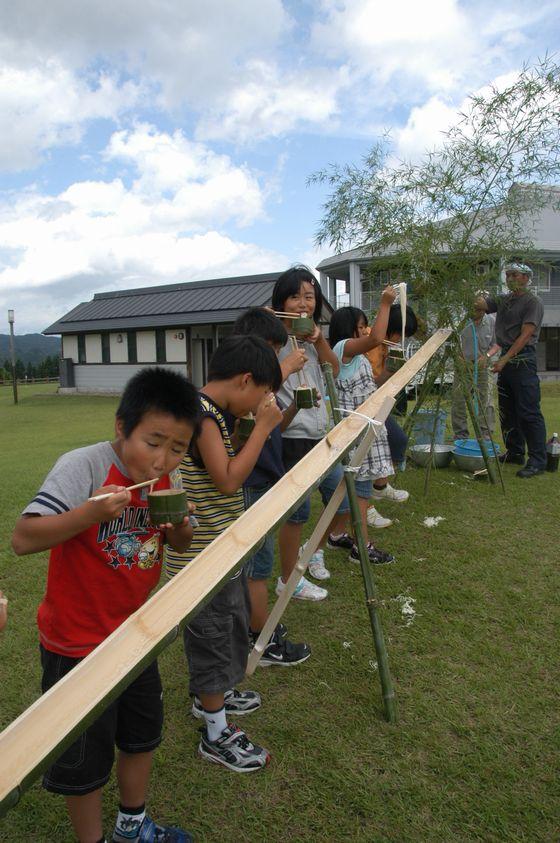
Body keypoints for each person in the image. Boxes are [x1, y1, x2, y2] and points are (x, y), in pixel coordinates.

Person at [11, 367, 200, 843]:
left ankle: (131, 827)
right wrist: (89, 513)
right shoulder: (86, 466)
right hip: (74, 644)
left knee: (141, 736)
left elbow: (178, 542)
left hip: (135, 638)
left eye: (177, 448)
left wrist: (181, 526)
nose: (162, 460)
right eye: (153, 442)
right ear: (122, 427)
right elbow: (23, 538)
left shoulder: (167, 479)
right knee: (85, 758)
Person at [165, 335, 283, 772]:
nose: (260, 402)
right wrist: (266, 428)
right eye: (260, 392)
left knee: (227, 626)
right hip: (200, 559)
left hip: (217, 552)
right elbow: (230, 480)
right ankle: (215, 732)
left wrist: (250, 424)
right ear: (245, 379)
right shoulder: (203, 417)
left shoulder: (211, 412)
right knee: (213, 640)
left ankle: (212, 700)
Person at [232, 307, 311, 666]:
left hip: (265, 478)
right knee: (256, 566)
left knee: (258, 565)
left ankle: (257, 633)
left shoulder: (263, 388)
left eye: (278, 351)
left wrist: (293, 406)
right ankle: (259, 640)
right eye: (272, 349)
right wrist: (287, 368)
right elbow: (241, 431)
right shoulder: (242, 385)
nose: (275, 356)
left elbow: (270, 430)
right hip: (250, 484)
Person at [272, 265, 348, 596]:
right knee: (297, 511)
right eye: (294, 296)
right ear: (281, 301)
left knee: (341, 492)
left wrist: (319, 341)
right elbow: (264, 379)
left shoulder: (313, 338)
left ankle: (312, 550)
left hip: (322, 433)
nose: (303, 303)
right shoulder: (273, 338)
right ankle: (288, 580)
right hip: (292, 436)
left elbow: (334, 368)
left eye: (309, 296)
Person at [326, 297, 407, 564]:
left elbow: (374, 383)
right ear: (347, 329)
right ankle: (362, 547)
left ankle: (337, 535)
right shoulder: (340, 349)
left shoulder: (357, 358)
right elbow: (376, 339)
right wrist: (385, 304)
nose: (366, 331)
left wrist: (392, 371)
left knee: (354, 488)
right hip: (354, 431)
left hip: (366, 428)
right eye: (361, 327)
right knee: (360, 490)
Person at [476, 262, 547, 478]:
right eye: (507, 275)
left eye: (514, 274)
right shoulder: (504, 299)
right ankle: (515, 451)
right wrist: (470, 289)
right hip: (506, 357)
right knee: (507, 410)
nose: (510, 278)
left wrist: (505, 358)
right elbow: (482, 305)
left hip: (523, 359)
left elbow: (525, 335)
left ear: (526, 278)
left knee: (528, 411)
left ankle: (538, 460)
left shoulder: (532, 302)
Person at [366, 303, 419, 481]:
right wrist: (389, 373)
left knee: (395, 441)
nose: (400, 340)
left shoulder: (385, 346)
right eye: (400, 334)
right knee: (395, 440)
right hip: (365, 406)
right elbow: (370, 384)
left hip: (377, 404)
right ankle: (378, 487)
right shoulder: (372, 344)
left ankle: (379, 485)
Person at [451, 302, 497, 440]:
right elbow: (450, 341)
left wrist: (487, 356)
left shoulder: (491, 321)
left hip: (482, 366)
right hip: (462, 366)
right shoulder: (459, 320)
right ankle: (461, 435)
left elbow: (496, 344)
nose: (476, 312)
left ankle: (485, 435)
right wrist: (458, 357)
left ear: (484, 310)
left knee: (485, 401)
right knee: (459, 400)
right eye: (473, 309)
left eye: (479, 310)